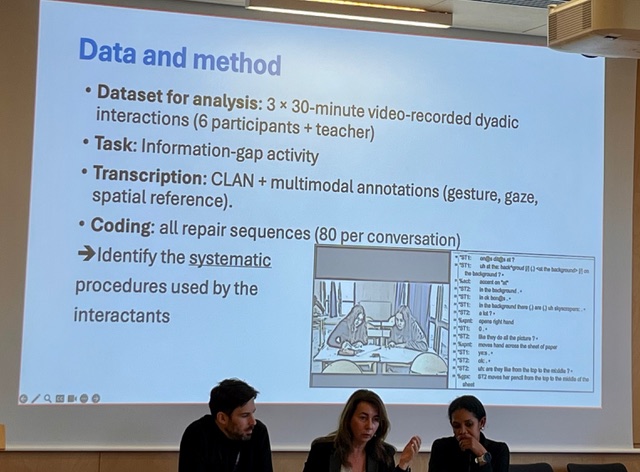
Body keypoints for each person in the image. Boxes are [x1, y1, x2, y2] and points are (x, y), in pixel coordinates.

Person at [303, 389, 421, 472]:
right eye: (363, 418)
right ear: (349, 419)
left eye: (375, 419)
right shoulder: (322, 450)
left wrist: (403, 464)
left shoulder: (384, 454)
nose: (369, 426)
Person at [179, 378, 273, 472]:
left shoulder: (258, 432)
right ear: (222, 418)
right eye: (245, 415)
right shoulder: (196, 435)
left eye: (253, 413)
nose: (253, 422)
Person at [428, 395, 509, 472]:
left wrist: (482, 455)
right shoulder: (441, 447)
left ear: (482, 422)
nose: (462, 431)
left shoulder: (499, 450)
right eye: (456, 426)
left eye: (469, 424)